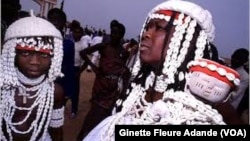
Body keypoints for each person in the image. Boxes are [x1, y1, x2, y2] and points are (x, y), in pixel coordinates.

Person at [82, 0, 243, 140]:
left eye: (158, 28)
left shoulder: (202, 102)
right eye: (147, 27)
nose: (146, 34)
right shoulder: (139, 85)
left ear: (184, 39)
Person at [0, 11, 65, 141]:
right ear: (12, 54)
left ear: (54, 57)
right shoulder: (3, 86)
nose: (35, 62)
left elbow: (56, 130)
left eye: (44, 55)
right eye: (25, 53)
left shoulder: (55, 92)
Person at [76, 22, 129, 141]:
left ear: (121, 35)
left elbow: (123, 69)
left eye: (117, 33)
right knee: (95, 111)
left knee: (106, 114)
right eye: (112, 32)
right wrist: (93, 67)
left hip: (113, 88)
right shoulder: (104, 46)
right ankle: (83, 136)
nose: (113, 35)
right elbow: (83, 53)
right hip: (101, 84)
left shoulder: (124, 53)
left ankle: (97, 135)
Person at [47, 8, 76, 118]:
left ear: (64, 24)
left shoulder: (68, 44)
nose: (54, 23)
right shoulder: (39, 40)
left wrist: (68, 91)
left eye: (57, 20)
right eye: (51, 20)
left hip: (58, 86)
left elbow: (69, 68)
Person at [228, 48, 249, 120]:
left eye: (237, 60)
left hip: (230, 108)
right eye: (233, 58)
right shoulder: (228, 69)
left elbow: (233, 96)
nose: (234, 61)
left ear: (244, 62)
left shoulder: (245, 77)